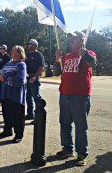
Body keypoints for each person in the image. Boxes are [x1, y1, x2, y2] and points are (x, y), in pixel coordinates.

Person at [54, 31, 97, 166]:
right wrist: (57, 59)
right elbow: (56, 73)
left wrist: (85, 54)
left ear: (82, 41)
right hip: (64, 93)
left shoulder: (88, 53)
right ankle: (67, 148)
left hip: (80, 95)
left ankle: (81, 153)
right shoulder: (66, 56)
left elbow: (93, 63)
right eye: (70, 39)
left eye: (74, 38)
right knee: (65, 123)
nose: (71, 40)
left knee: (80, 125)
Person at [0, 45, 27, 143]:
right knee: (6, 114)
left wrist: (5, 77)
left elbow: (20, 80)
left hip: (16, 95)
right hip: (5, 93)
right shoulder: (8, 63)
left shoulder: (21, 64)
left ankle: (18, 134)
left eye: (14, 51)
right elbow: (0, 72)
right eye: (12, 50)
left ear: (20, 53)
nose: (12, 52)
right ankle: (7, 130)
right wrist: (5, 75)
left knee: (17, 116)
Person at [24, 39, 45, 121]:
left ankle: (38, 117)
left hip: (34, 78)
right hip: (27, 77)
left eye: (30, 44)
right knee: (28, 97)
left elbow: (41, 68)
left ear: (35, 45)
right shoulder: (27, 55)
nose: (28, 46)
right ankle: (30, 114)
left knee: (36, 97)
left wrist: (34, 77)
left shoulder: (39, 55)